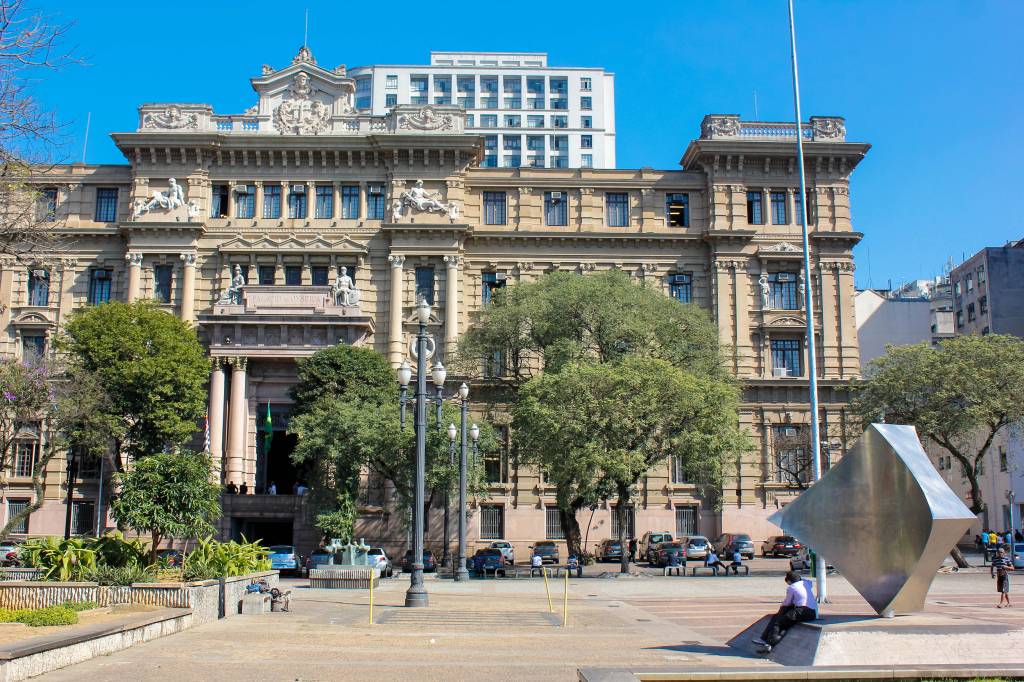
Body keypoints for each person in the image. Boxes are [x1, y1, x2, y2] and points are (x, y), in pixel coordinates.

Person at [752, 571, 819, 652]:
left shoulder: (792, 587)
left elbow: (787, 603)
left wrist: (781, 611)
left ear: (789, 581)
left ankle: (768, 643)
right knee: (786, 623)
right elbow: (807, 581)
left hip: (802, 611)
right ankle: (767, 642)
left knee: (779, 623)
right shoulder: (806, 583)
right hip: (813, 613)